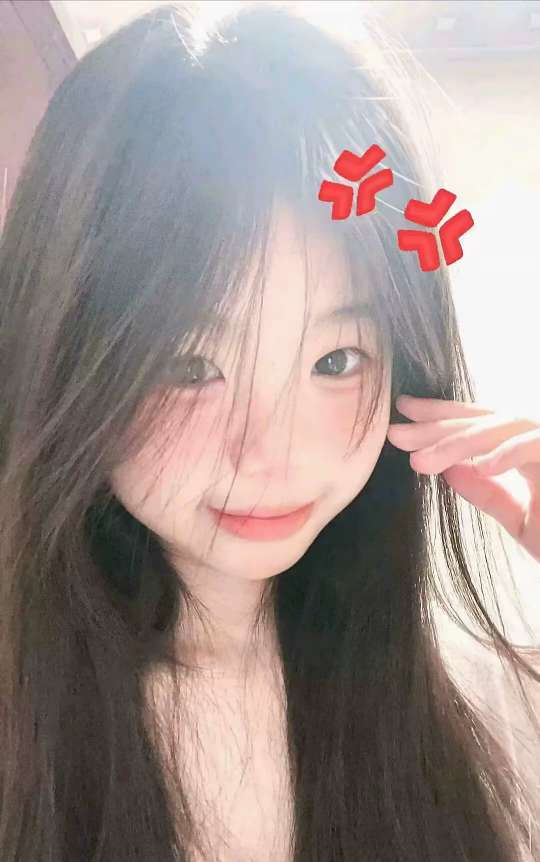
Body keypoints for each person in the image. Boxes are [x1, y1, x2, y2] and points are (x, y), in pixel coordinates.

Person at [0, 3, 539, 860]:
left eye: (335, 360)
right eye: (187, 366)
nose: (272, 453)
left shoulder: (491, 711)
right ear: (65, 356)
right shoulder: (27, 737)